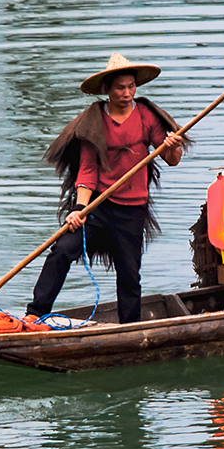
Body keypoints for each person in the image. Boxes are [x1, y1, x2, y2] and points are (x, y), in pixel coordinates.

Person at [28, 52, 185, 325]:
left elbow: (171, 160)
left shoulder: (147, 116)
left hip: (133, 209)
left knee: (129, 274)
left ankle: (130, 329)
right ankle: (35, 313)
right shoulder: (95, 119)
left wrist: (173, 147)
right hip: (98, 205)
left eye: (131, 87)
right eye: (120, 88)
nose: (127, 93)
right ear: (107, 90)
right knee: (62, 250)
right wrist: (79, 209)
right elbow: (87, 170)